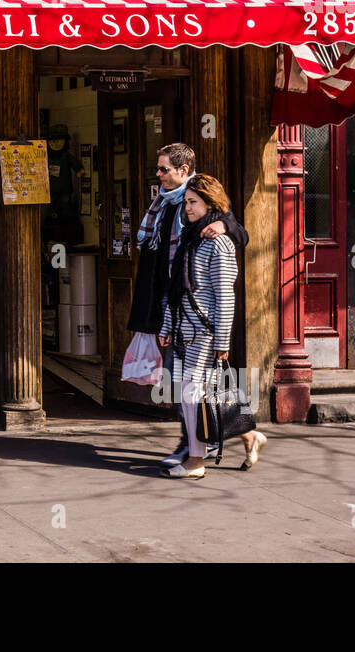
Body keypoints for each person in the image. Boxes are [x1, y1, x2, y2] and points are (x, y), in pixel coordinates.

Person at [126, 143, 247, 468]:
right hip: (173, 306)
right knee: (183, 384)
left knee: (190, 387)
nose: (158, 173)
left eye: (164, 168)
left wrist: (225, 225)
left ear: (183, 169)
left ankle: (193, 450)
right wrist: (165, 321)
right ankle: (240, 435)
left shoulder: (204, 212)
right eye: (159, 167)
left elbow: (236, 236)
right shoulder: (166, 204)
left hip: (198, 317)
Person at [158, 174, 267, 478]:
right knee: (192, 395)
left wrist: (222, 339)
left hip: (203, 330)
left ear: (210, 203)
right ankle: (236, 440)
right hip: (184, 327)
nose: (187, 208)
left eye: (193, 202)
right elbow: (176, 288)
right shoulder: (190, 237)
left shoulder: (218, 242)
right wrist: (167, 325)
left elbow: (225, 294)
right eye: (187, 202)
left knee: (193, 395)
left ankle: (196, 461)